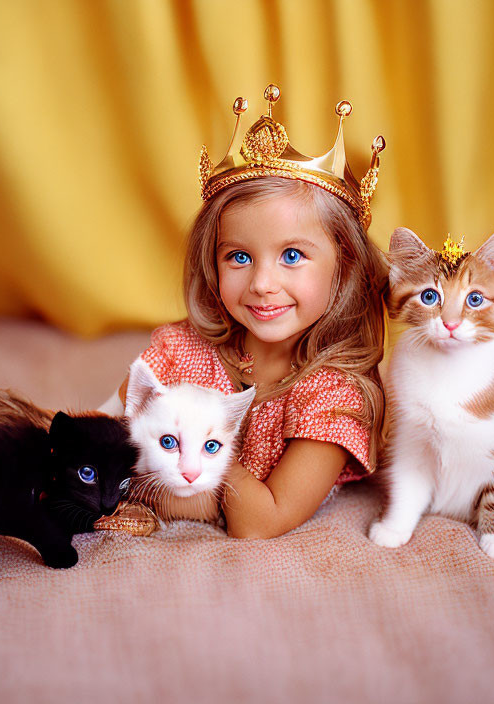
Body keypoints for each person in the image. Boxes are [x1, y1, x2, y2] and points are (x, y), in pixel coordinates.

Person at [100, 84, 388, 538]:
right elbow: (106, 433)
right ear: (211, 262)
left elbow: (259, 521)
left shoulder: (335, 397)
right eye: (238, 256)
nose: (261, 284)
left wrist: (201, 439)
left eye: (292, 256)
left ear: (345, 266)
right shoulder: (183, 346)